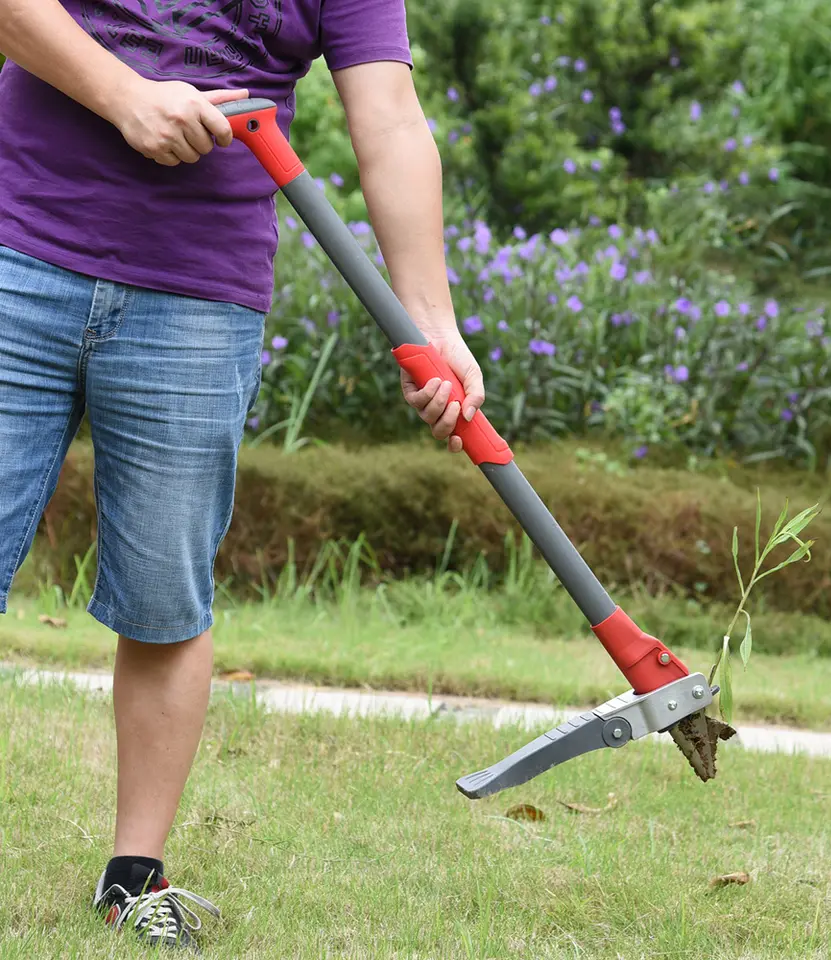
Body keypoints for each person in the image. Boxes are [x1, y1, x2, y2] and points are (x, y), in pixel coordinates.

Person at [0, 0, 485, 950]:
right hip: (18, 248)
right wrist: (124, 95)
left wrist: (431, 319)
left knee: (166, 596)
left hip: (198, 298)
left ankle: (134, 878)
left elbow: (387, 117)